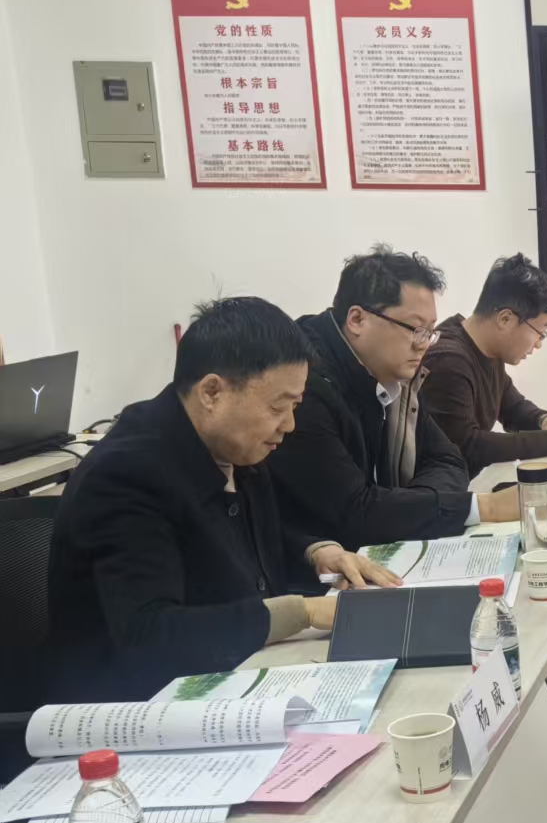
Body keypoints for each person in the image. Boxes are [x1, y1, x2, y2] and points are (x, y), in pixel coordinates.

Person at [48, 298, 397, 702]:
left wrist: (316, 553)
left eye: (295, 407)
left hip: (231, 675)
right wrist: (301, 613)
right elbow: (150, 634)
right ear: (212, 392)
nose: (289, 425)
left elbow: (236, 540)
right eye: (278, 407)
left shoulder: (231, 445)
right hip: (136, 710)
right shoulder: (127, 475)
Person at [269, 245, 520, 550]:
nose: (424, 344)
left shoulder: (393, 373)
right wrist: (478, 508)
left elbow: (449, 459)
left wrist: (406, 508)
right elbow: (355, 515)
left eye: (430, 332)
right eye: (415, 329)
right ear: (357, 319)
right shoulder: (303, 387)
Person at [421, 253, 547, 473]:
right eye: (540, 332)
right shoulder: (448, 361)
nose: (538, 344)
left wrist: (545, 421)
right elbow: (467, 446)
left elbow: (513, 408)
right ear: (506, 319)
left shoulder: (488, 350)